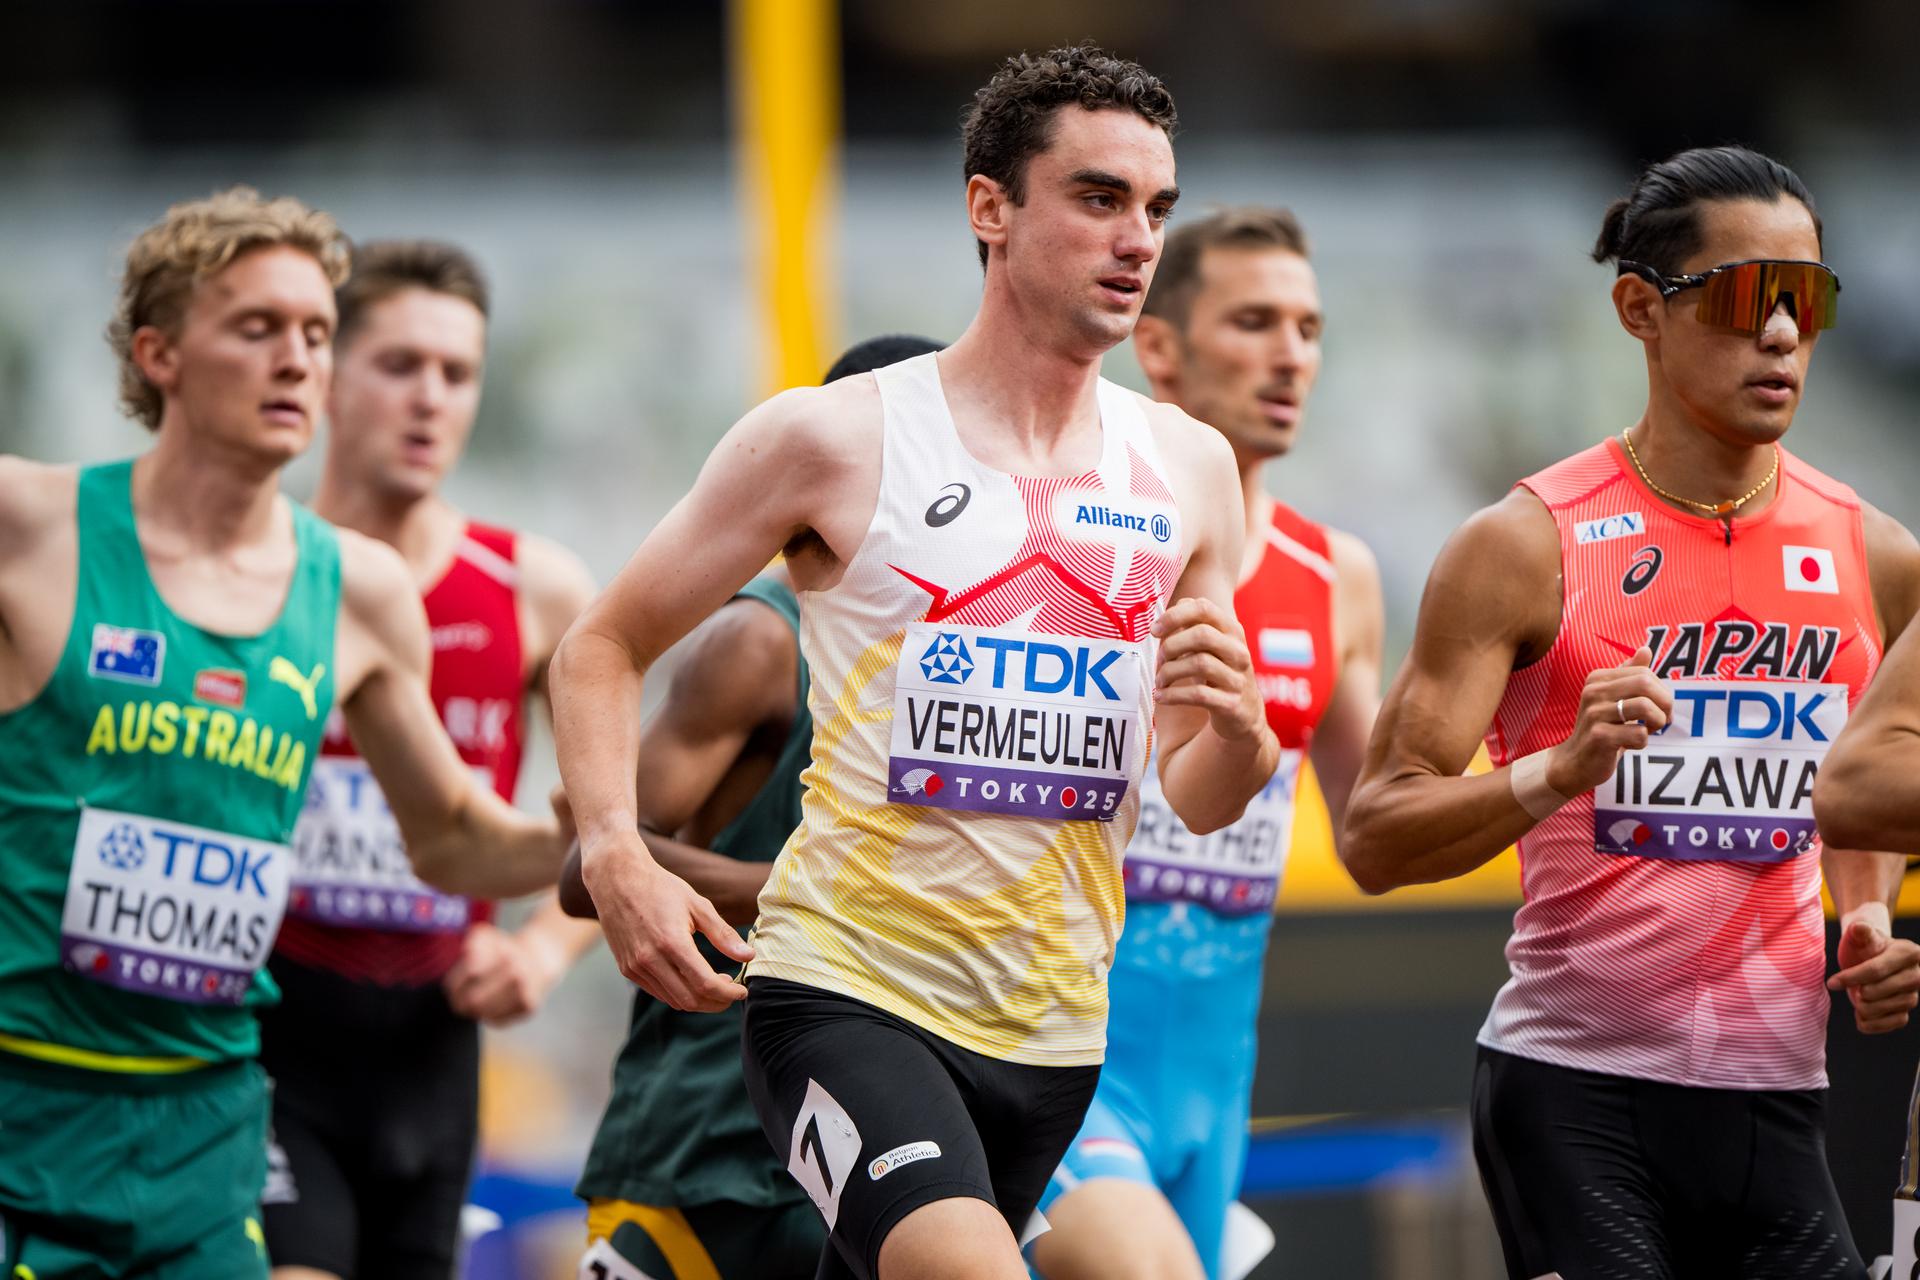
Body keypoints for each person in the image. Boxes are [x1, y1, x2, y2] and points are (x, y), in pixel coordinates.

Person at [552, 45, 1279, 1280]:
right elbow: (601, 643)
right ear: (990, 207)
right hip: (847, 990)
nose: (1138, 239)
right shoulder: (834, 437)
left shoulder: (1188, 467)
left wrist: (1244, 741)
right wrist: (615, 850)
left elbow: (1188, 794)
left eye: (1156, 208)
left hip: (1054, 1028)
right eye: (1098, 198)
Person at [1339, 146, 1920, 1279]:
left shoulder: (1879, 554)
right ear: (1639, 310)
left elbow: (1866, 779)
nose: (1787, 334)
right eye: (1754, 297)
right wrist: (1558, 768)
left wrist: (1866, 913)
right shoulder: (1521, 545)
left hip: (1780, 1101)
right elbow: (1372, 834)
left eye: (1811, 299)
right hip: (1576, 1098)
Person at [0, 187, 568, 1280]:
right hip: (25, 1100)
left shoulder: (357, 590)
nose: (297, 358)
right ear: (159, 353)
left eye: (314, 331)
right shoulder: (29, 524)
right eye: (257, 328)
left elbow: (452, 835)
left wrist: (609, 849)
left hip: (207, 1121)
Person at [1030, 207, 1382, 1280]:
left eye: (1310, 326)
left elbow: (1378, 837)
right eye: (1255, 320)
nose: (1292, 353)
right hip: (1061, 1058)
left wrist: (1553, 765)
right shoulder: (1077, 538)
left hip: (1214, 1091)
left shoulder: (1340, 574)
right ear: (1162, 347)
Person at [561, 333, 945, 1280]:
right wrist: (790, 883)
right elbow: (586, 872)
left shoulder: (971, 662)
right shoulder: (758, 644)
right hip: (705, 1147)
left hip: (883, 1132)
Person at [257, 240, 601, 1280]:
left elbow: (637, 811)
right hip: (266, 1037)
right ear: (326, 374)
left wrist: (541, 949)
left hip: (437, 1046)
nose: (430, 399)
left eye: (457, 373)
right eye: (399, 364)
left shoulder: (529, 586)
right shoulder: (255, 569)